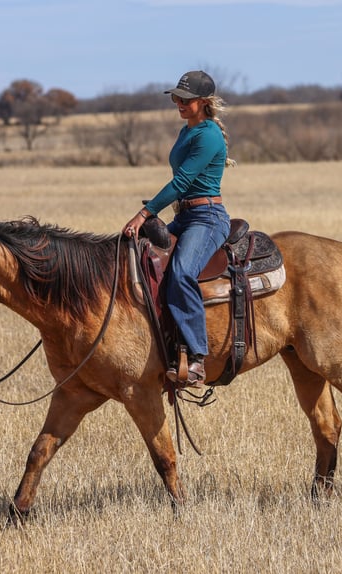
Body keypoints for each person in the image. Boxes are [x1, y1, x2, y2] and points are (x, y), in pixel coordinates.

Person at [123, 70, 235, 387]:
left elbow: (183, 182)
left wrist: (144, 214)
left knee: (183, 272)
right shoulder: (187, 131)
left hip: (207, 218)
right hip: (185, 217)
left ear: (203, 102)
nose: (178, 104)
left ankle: (198, 358)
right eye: (176, 98)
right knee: (148, 261)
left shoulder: (208, 135)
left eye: (184, 99)